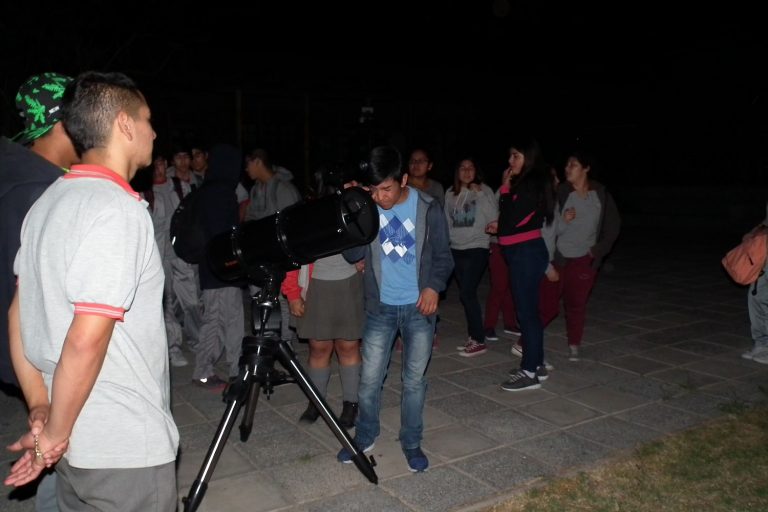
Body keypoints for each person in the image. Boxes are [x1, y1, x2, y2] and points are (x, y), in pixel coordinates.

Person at [4, 71, 179, 512]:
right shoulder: (117, 210)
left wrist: (42, 407)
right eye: (147, 119)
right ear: (124, 124)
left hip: (75, 448)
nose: (153, 132)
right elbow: (86, 340)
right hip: (121, 448)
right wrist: (54, 437)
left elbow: (18, 314)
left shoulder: (47, 201)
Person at [337, 146, 453, 472]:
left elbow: (444, 256)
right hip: (380, 307)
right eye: (373, 190)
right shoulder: (368, 207)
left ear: (403, 180)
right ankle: (365, 435)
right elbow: (351, 255)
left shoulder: (429, 208)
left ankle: (412, 441)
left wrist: (433, 287)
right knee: (369, 380)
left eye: (386, 188)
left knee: (414, 381)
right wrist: (352, 209)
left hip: (419, 308)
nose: (380, 197)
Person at [0, 71, 79, 512]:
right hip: (46, 352)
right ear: (62, 122)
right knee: (57, 453)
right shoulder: (38, 190)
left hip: (29, 353)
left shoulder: (24, 174)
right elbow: (28, 293)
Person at [282, 166, 363, 428]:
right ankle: (316, 401)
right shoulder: (305, 214)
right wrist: (293, 294)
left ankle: (351, 403)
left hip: (349, 284)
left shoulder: (355, 207)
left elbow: (373, 240)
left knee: (348, 346)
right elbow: (292, 258)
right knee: (319, 348)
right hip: (315, 287)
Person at [539, 151, 621, 361]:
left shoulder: (600, 193)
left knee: (576, 304)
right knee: (548, 304)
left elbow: (613, 226)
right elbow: (547, 225)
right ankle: (527, 341)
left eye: (573, 165)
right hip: (559, 258)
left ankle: (574, 343)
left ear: (586, 168)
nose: (567, 169)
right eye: (566, 165)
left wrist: (598, 250)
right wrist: (563, 220)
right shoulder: (561, 192)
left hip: (585, 259)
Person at [489, 135, 554, 391]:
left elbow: (511, 218)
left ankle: (528, 373)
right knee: (529, 312)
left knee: (526, 313)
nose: (510, 161)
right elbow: (514, 221)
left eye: (515, 155)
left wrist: (505, 189)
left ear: (529, 157)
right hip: (522, 252)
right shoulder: (528, 183)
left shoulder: (530, 183)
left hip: (526, 253)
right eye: (510, 155)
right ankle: (535, 364)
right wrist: (503, 224)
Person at [194, 143, 246, 389]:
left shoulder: (210, 188)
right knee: (218, 320)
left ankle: (236, 366)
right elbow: (225, 233)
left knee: (230, 318)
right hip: (222, 266)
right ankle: (204, 371)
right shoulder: (221, 192)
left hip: (217, 266)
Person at [445, 158, 497, 356]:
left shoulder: (485, 190)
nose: (467, 171)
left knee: (467, 292)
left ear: (476, 170)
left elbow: (494, 217)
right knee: (467, 295)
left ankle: (478, 339)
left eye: (471, 167)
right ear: (457, 171)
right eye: (462, 167)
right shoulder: (450, 193)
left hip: (477, 247)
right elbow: (445, 220)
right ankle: (473, 335)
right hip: (456, 248)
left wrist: (480, 193)